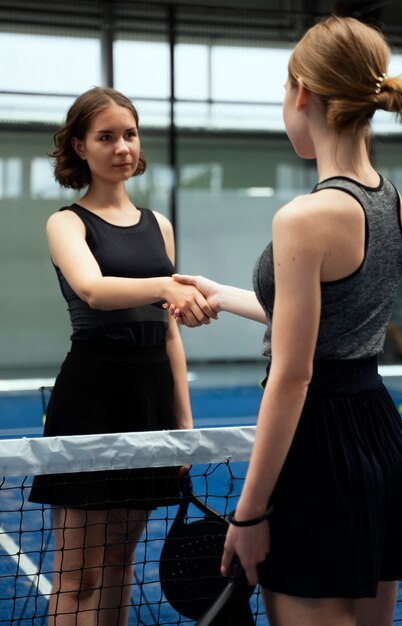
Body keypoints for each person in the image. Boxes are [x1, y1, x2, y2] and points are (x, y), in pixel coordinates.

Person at [166, 15, 402, 626]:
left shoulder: (304, 217)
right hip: (380, 441)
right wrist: (222, 294)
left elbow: (294, 373)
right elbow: (331, 320)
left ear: (302, 93)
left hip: (320, 452)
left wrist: (248, 515)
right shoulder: (391, 199)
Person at [28, 86, 215, 626]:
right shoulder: (66, 222)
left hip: (150, 395)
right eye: (105, 137)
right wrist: (167, 285)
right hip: (91, 397)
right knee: (75, 574)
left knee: (118, 562)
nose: (121, 147)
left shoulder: (160, 225)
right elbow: (93, 289)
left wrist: (184, 423)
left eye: (129, 135)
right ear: (80, 147)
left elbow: (169, 330)